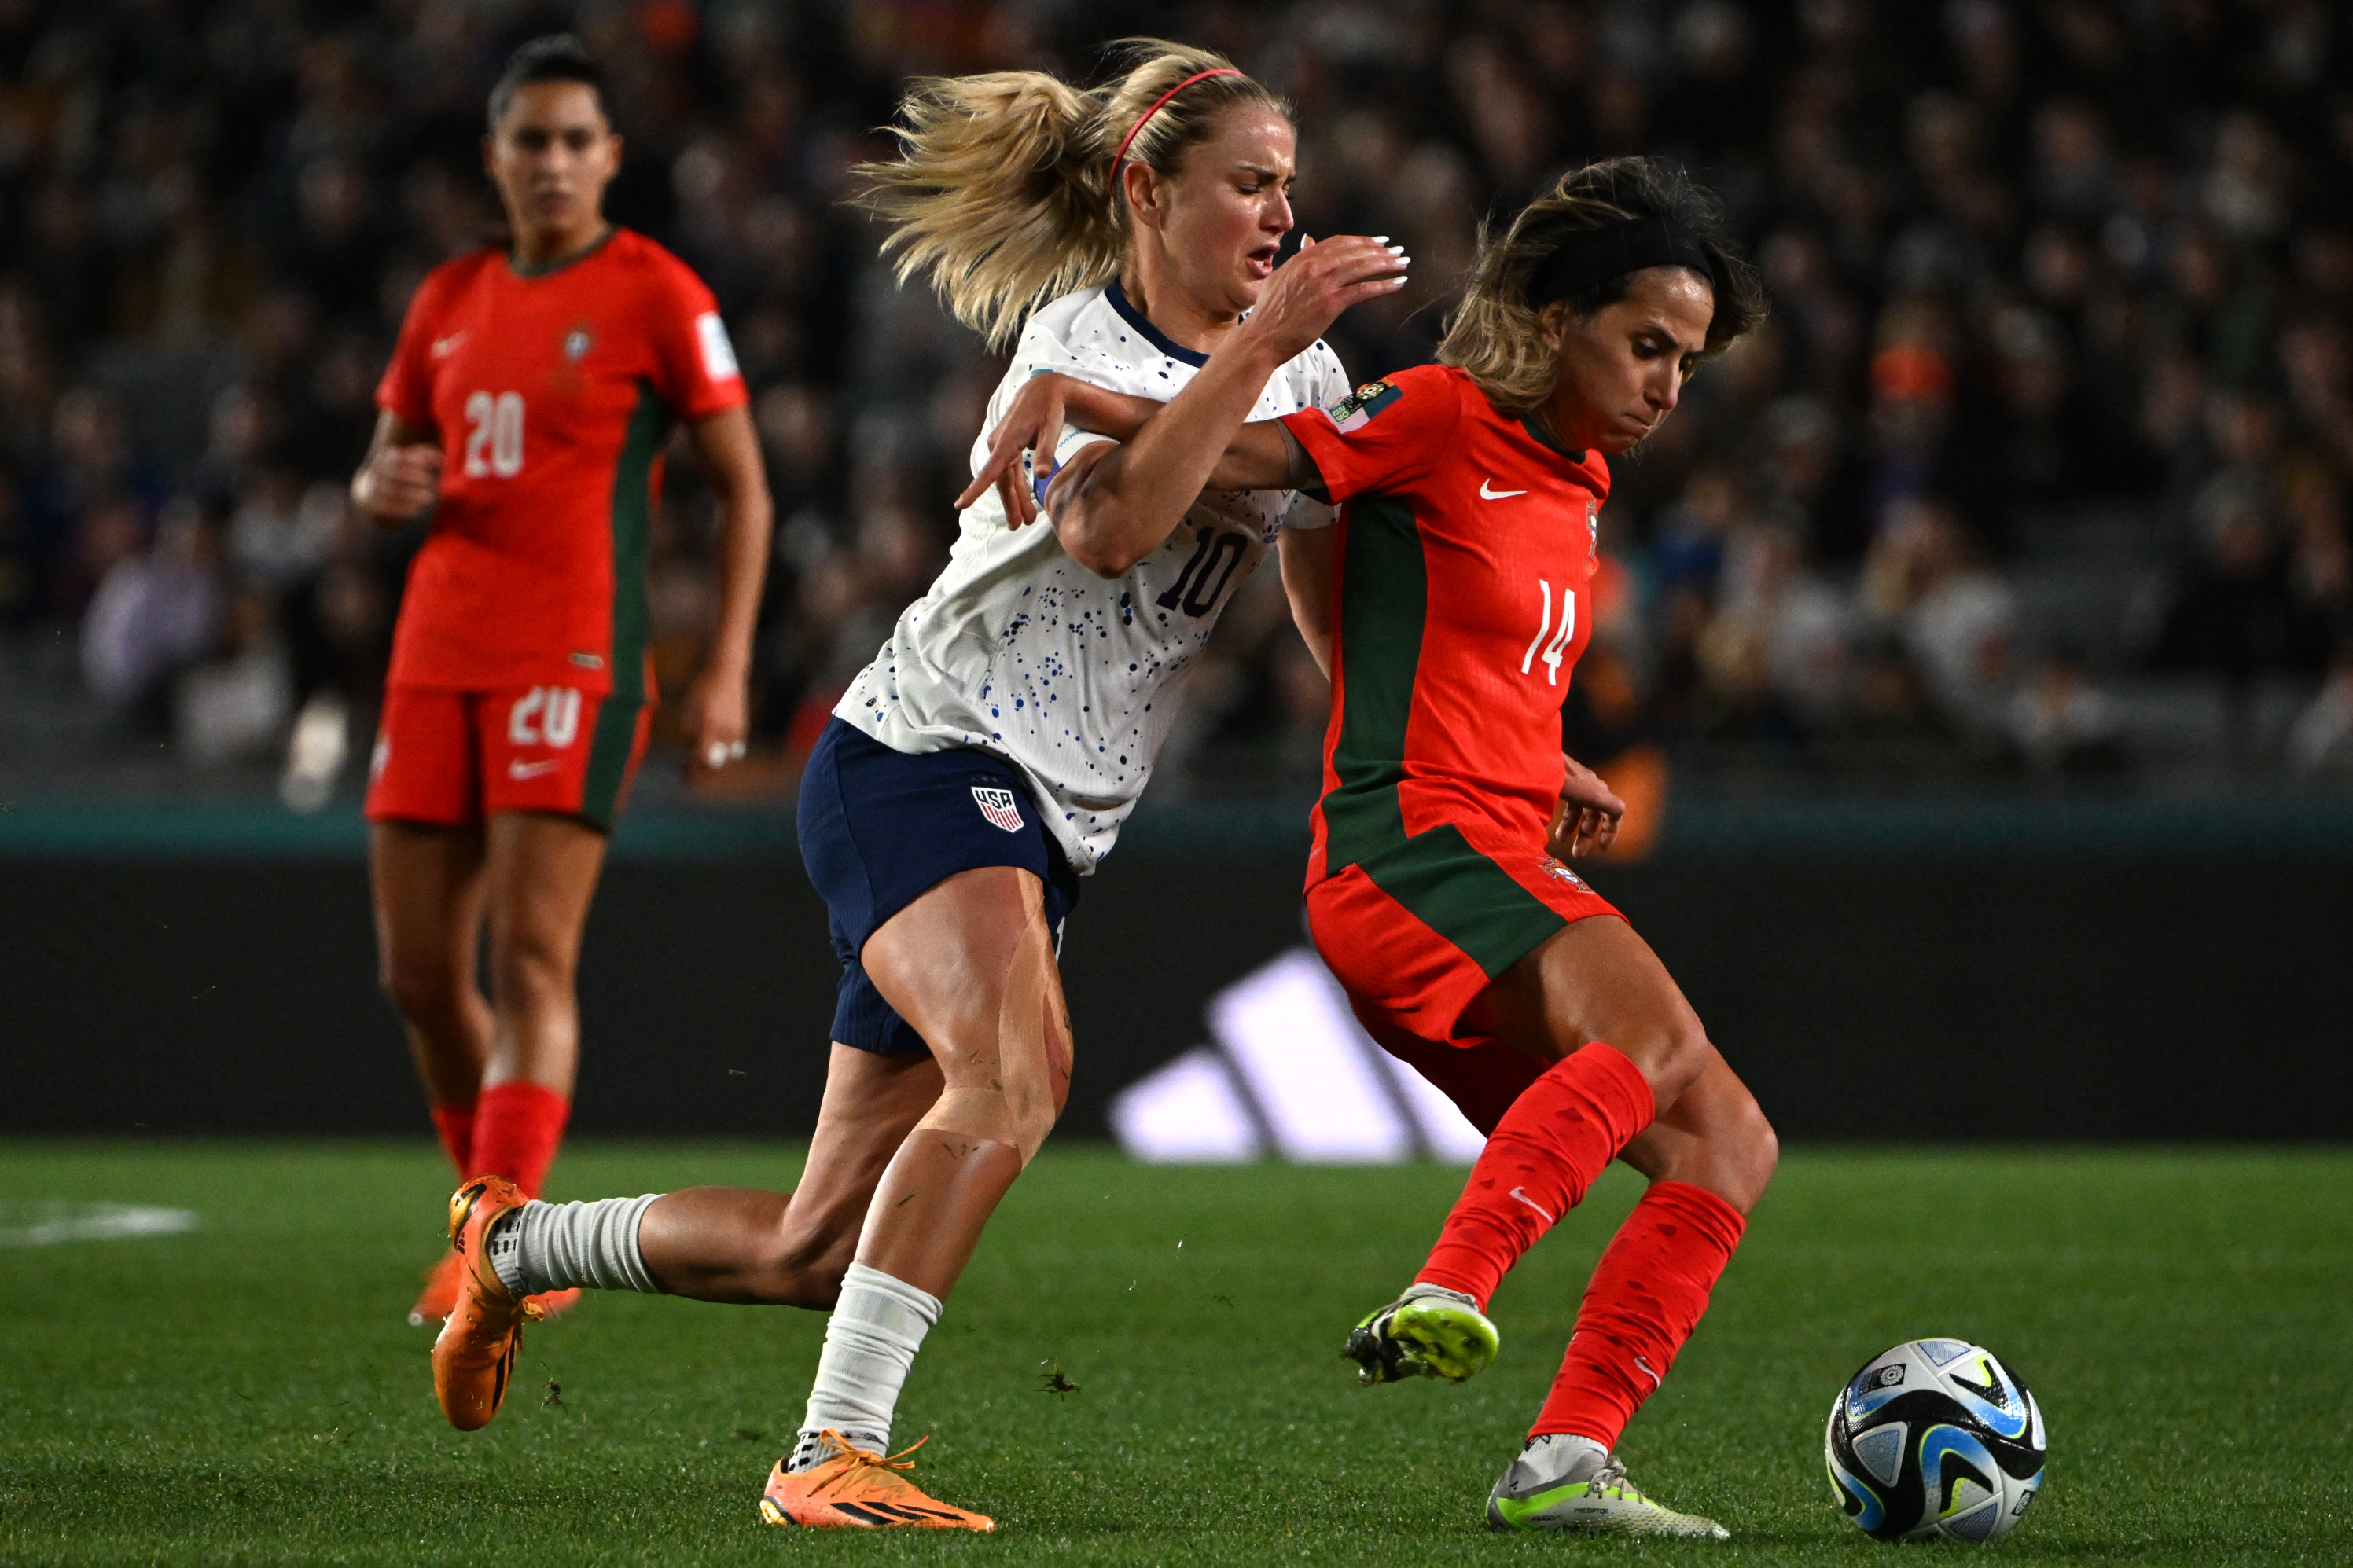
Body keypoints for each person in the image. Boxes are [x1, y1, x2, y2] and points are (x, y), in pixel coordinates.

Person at [425, 41, 1407, 1532]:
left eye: (1290, 184)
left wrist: (1464, 754)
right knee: (1017, 1075)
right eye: (1249, 183)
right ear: (1148, 190)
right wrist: (1258, 343)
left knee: (819, 1247)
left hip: (1045, 823)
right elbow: (1111, 532)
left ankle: (518, 1246)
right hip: (926, 757)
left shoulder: (1307, 371)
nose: (1283, 214)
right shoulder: (1074, 343)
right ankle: (827, 1450)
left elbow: (1323, 605)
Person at [1002, 156, 1774, 1537]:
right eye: (1646, 344)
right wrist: (1076, 400)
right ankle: (1450, 1285)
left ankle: (1563, 1463)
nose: (1669, 383)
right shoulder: (1433, 415)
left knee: (1727, 1144)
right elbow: (1248, 459)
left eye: (1687, 360)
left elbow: (1463, 659)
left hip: (1489, 846)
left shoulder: (1577, 474)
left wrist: (1542, 760)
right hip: (1404, 852)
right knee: (1654, 1039)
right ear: (1552, 317)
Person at [351, 36, 770, 1329]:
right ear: (494, 158)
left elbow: (743, 488)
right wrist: (378, 489)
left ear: (609, 158)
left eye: (574, 140)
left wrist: (728, 666)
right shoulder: (449, 299)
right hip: (437, 649)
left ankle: (496, 1246)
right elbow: (387, 465)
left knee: (530, 953)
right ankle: (498, 1223)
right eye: (528, 141)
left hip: (572, 650)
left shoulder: (655, 291)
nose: (551, 162)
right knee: (418, 972)